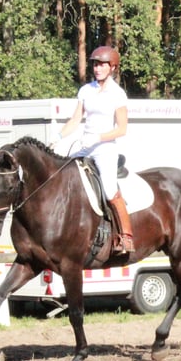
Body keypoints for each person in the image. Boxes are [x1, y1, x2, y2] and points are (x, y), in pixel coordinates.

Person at [54, 45, 134, 254]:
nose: (97, 68)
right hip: (85, 146)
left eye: (101, 65)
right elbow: (75, 119)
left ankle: (126, 237)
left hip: (105, 148)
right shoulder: (86, 90)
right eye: (95, 65)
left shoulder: (118, 94)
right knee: (63, 173)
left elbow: (122, 129)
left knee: (108, 189)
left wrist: (98, 137)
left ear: (112, 67)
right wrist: (58, 138)